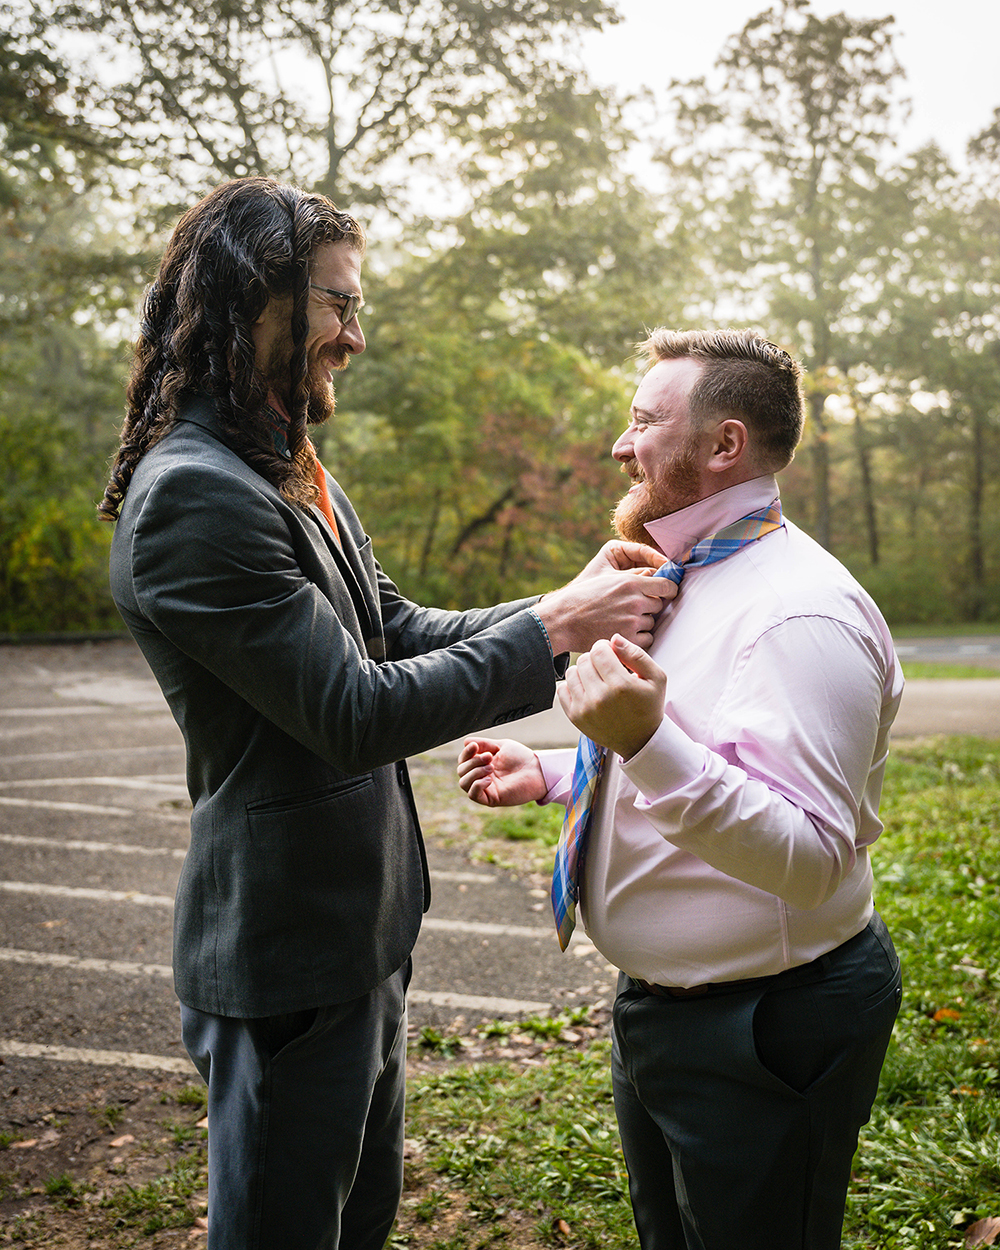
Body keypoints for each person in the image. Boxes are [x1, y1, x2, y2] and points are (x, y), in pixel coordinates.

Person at [98, 176, 677, 1250]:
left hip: (361, 938)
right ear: (254, 300)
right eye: (338, 304)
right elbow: (354, 711)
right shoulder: (193, 494)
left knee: (354, 1223)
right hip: (284, 956)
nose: (353, 336)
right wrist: (555, 624)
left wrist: (564, 605)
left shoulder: (286, 467)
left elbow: (393, 627)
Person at [458, 328, 904, 1250]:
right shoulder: (686, 577)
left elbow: (815, 861)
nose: (622, 446)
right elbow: (711, 755)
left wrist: (647, 742)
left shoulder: (798, 614)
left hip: (764, 1027)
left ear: (723, 444)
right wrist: (550, 774)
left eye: (643, 421)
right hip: (662, 1013)